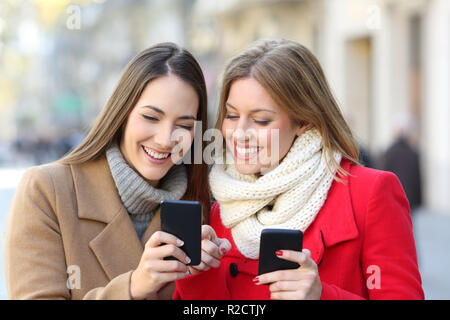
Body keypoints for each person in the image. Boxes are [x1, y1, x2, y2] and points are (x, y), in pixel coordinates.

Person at [174, 39, 424, 300]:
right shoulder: (223, 205)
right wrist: (198, 275)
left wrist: (322, 295)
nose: (239, 133)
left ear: (304, 120)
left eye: (260, 120)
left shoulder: (369, 193)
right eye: (232, 115)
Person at [4, 43, 230, 300]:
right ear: (122, 113)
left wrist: (207, 279)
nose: (166, 140)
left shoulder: (202, 205)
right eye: (151, 118)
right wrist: (133, 287)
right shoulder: (47, 190)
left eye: (184, 125)